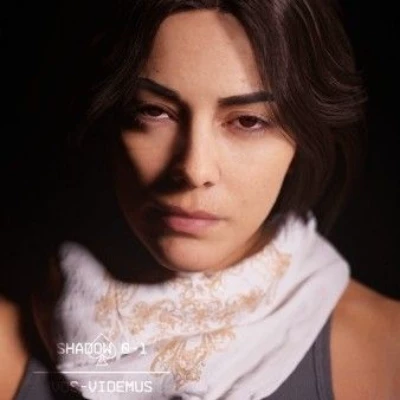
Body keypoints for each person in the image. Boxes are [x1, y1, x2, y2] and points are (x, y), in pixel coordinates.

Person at [2, 0, 399, 399]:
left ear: (302, 140)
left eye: (248, 121)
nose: (194, 169)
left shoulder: (386, 351)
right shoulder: (9, 341)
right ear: (110, 119)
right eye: (153, 111)